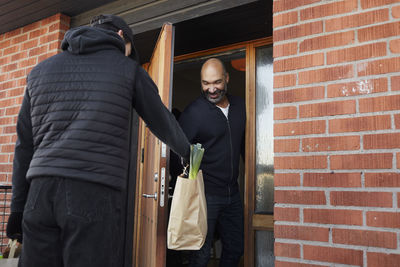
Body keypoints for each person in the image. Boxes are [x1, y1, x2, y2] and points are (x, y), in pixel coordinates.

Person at [6, 14, 190, 267]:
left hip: (39, 194)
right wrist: (191, 154)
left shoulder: (40, 71)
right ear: (120, 37)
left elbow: (23, 145)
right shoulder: (128, 69)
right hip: (92, 191)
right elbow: (163, 121)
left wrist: (17, 208)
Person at [178, 58, 246, 266]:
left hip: (232, 194)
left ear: (227, 78)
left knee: (236, 248)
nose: (211, 89)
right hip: (205, 196)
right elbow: (177, 153)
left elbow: (247, 145)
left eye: (216, 82)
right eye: (205, 83)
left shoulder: (242, 106)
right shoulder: (193, 113)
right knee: (201, 255)